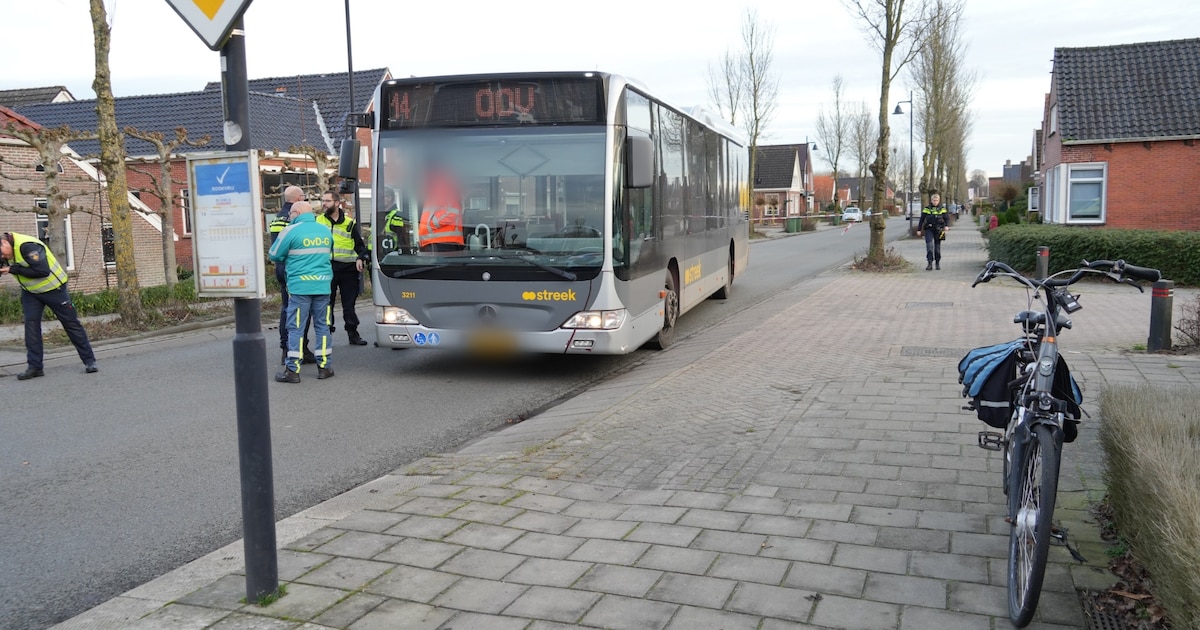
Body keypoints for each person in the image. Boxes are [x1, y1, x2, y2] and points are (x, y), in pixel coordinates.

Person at [1, 231, 98, 379]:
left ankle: (89, 361)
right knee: (31, 327)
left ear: (5, 243)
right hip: (31, 293)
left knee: (71, 324)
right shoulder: (5, 251)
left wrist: (12, 269)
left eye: (3, 253)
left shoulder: (28, 246)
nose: (3, 257)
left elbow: (42, 271)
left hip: (54, 290)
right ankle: (35, 367)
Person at [268, 201, 335, 383]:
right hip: (323, 286)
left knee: (296, 328)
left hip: (300, 287)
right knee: (322, 326)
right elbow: (329, 252)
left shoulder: (290, 230)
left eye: (291, 214)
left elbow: (274, 254)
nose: (289, 217)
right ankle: (324, 367)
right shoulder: (325, 230)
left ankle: (292, 370)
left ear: (296, 213)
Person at [317, 189, 370, 346]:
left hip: (348, 269)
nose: (324, 204)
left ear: (336, 203)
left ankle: (353, 333)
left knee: (349, 304)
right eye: (323, 201)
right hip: (326, 267)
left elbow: (360, 246)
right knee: (327, 303)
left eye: (327, 201)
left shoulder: (349, 223)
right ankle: (326, 333)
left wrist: (360, 258)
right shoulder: (318, 221)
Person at [269, 186, 315, 365]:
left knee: (287, 308)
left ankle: (287, 349)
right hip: (295, 269)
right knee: (299, 310)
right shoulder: (296, 218)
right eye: (304, 197)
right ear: (298, 199)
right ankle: (297, 349)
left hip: (282, 268)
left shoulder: (277, 218)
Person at [417, 168, 465, 252]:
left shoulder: (443, 185)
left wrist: (430, 225)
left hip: (442, 242)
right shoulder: (433, 187)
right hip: (435, 241)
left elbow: (451, 210)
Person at [916, 192, 949, 270]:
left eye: (937, 200)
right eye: (934, 200)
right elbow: (922, 219)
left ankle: (937, 263)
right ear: (931, 201)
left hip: (939, 229)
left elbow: (946, 218)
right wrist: (919, 229)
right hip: (929, 229)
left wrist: (946, 226)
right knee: (929, 246)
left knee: (937, 248)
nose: (935, 202)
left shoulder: (942, 209)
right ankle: (929, 263)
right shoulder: (927, 209)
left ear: (939, 201)